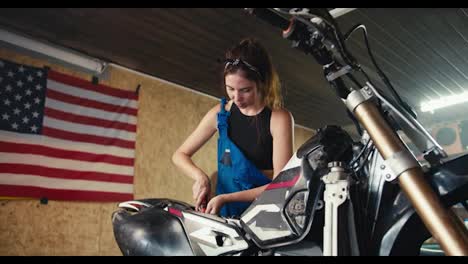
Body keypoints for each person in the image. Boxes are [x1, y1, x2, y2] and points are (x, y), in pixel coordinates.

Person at [172, 38, 294, 217]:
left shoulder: (279, 118)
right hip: (225, 214)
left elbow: (281, 184)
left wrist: (228, 198)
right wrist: (201, 177)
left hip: (264, 214)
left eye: (245, 90)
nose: (236, 98)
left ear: (262, 83)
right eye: (230, 89)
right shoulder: (220, 115)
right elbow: (179, 155)